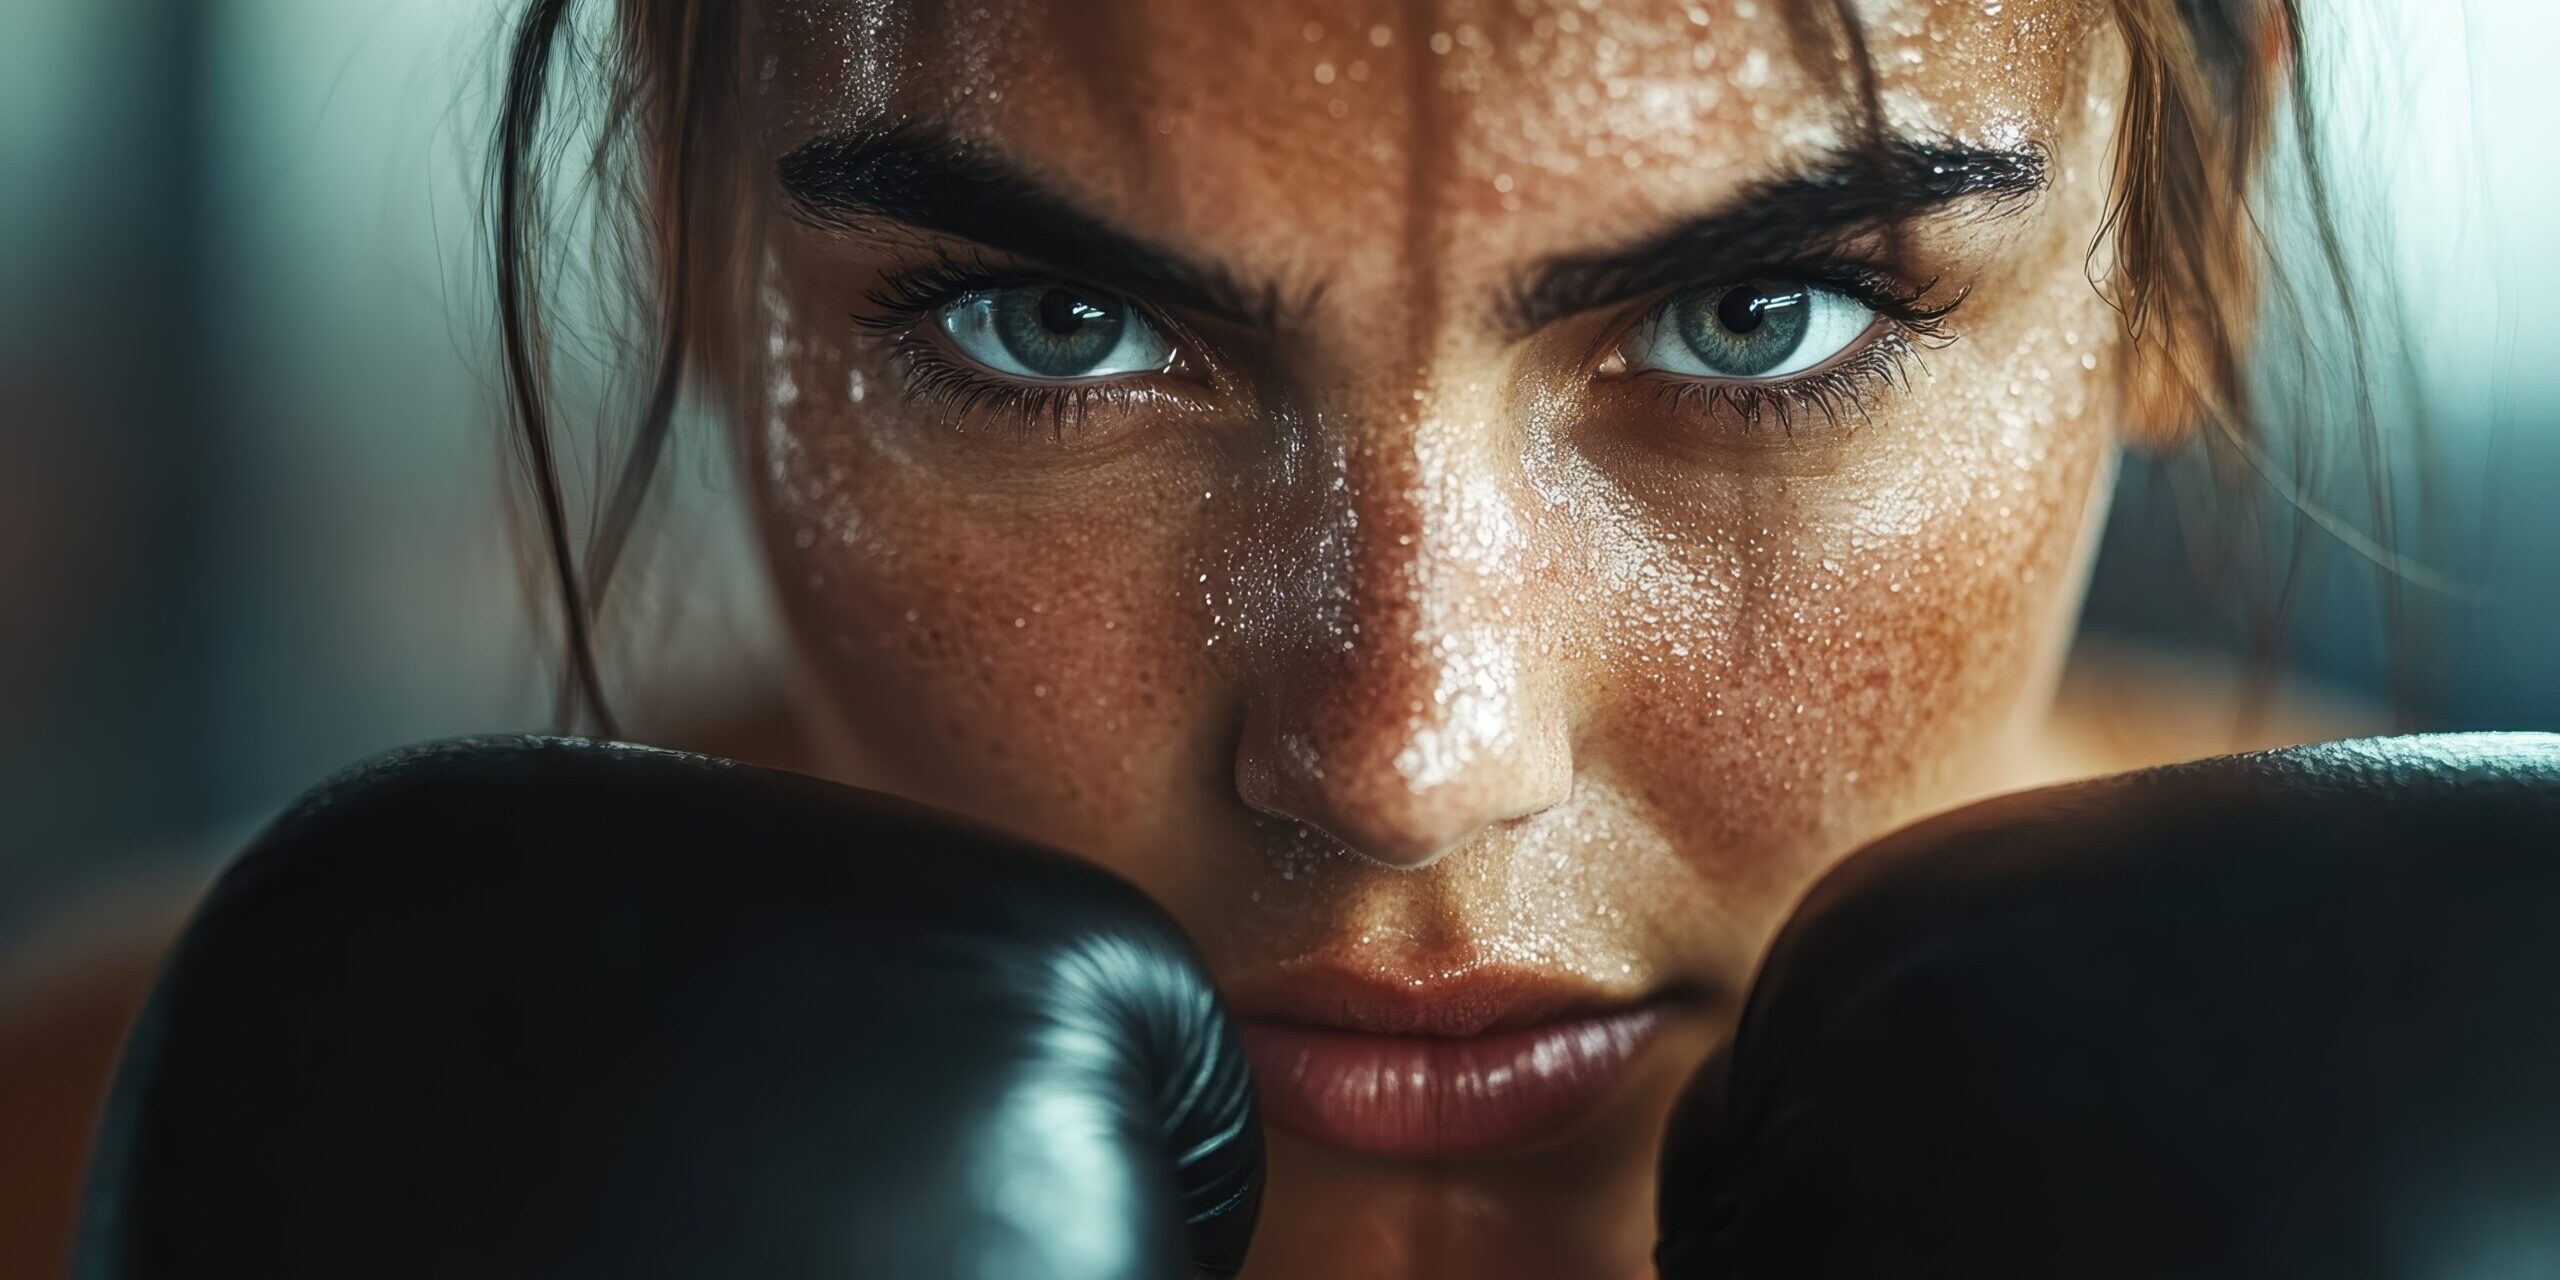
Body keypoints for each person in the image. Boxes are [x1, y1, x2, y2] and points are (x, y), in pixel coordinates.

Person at [13, 1, 2400, 1277]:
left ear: (2184, 243)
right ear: (685, 216)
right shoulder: (69, 1166)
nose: (1399, 750)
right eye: (1050, 325)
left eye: (1757, 316)